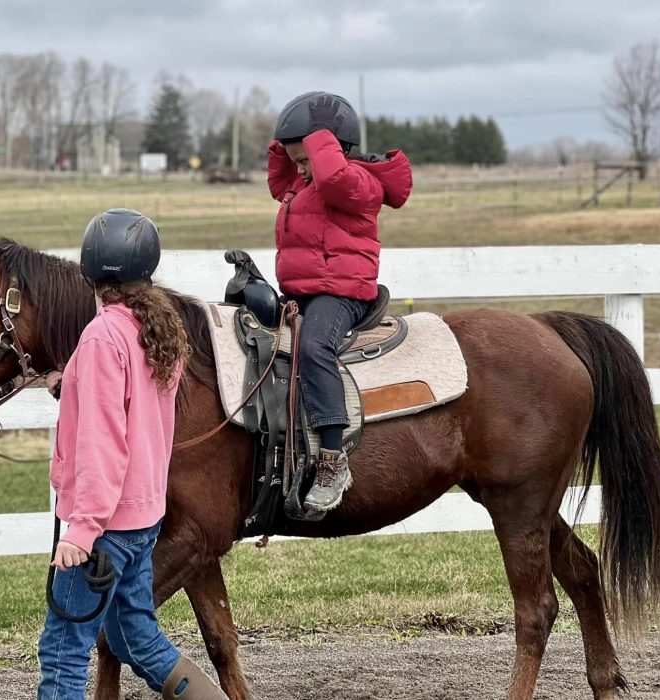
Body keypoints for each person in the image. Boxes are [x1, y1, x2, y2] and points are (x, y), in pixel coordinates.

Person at [38, 208, 227, 700]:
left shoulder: (102, 336)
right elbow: (131, 405)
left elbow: (104, 444)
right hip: (142, 520)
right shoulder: (156, 330)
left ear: (89, 268)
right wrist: (70, 381)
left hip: (103, 529)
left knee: (62, 650)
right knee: (134, 637)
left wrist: (82, 531)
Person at [268, 91, 412, 512]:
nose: (300, 170)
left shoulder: (358, 184)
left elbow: (331, 176)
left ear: (330, 148)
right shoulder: (303, 183)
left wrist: (316, 137)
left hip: (342, 295)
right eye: (296, 162)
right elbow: (278, 181)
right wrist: (287, 142)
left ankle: (333, 458)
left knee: (314, 346)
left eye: (306, 159)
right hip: (305, 292)